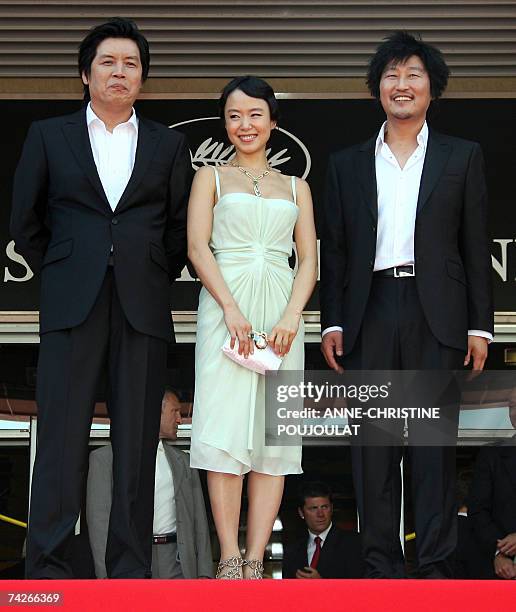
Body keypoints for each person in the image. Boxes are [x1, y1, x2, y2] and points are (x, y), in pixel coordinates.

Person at [10, 18, 192, 578]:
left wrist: (145, 272)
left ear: (143, 78)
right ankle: (47, 566)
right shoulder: (48, 133)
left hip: (141, 306)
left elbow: (179, 230)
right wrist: (67, 270)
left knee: (137, 445)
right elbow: (26, 219)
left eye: (131, 64)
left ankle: (130, 567)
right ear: (86, 74)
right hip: (72, 304)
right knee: (61, 440)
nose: (120, 72)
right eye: (109, 62)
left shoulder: (169, 143)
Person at [320, 31, 493, 578]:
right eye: (392, 75)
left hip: (435, 311)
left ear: (431, 90)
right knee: (373, 451)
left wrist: (480, 328)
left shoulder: (462, 157)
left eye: (413, 75)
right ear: (377, 90)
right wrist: (333, 321)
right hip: (370, 311)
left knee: (432, 451)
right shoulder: (346, 163)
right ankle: (380, 567)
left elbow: (474, 245)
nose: (402, 84)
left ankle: (436, 565)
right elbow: (339, 252)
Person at [187, 76, 317, 579]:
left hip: (282, 316)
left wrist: (291, 316)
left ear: (273, 122)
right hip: (226, 311)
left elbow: (308, 258)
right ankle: (229, 556)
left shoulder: (297, 187)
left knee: (274, 437)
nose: (245, 124)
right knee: (223, 430)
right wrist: (231, 309)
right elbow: (198, 248)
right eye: (235, 116)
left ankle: (258, 557)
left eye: (255, 114)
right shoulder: (210, 178)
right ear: (226, 123)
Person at [86, 388, 213, 579]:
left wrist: (205, 574)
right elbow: (99, 523)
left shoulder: (184, 463)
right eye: (174, 411)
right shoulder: (105, 459)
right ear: (155, 411)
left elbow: (199, 522)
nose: (180, 419)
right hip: (130, 559)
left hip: (178, 561)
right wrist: (105, 578)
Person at [468, 407, 516, 580]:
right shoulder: (492, 455)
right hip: (503, 570)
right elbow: (477, 510)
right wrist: (498, 553)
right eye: (513, 406)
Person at [282, 481, 363, 579]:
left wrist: (322, 584)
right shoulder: (292, 551)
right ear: (301, 513)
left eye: (324, 507)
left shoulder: (353, 543)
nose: (320, 514)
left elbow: (359, 587)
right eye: (313, 508)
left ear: (331, 509)